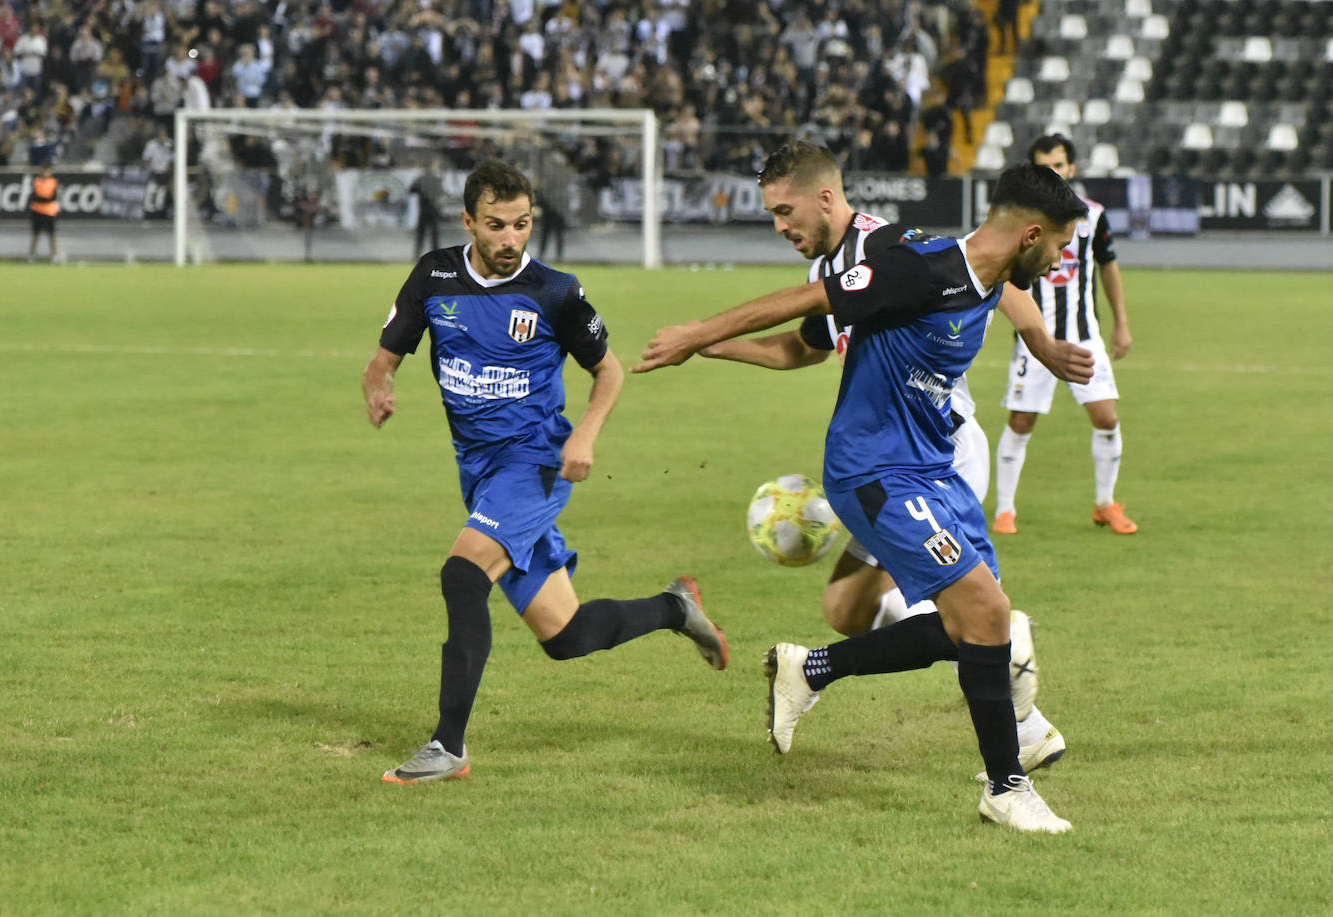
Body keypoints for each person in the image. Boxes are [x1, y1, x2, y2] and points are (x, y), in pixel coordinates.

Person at [635, 163, 1092, 833]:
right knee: (990, 614)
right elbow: (804, 302)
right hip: (875, 471)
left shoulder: (988, 271)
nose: (1059, 260)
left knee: (978, 629)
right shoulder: (917, 269)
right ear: (1029, 235)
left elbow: (1006, 295)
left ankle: (811, 667)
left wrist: (1045, 346)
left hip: (935, 468)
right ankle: (1007, 785)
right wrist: (699, 335)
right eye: (1057, 245)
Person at [362, 159, 729, 785]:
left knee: (462, 574)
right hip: (479, 471)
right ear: (468, 222)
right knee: (565, 635)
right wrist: (381, 383)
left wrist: (583, 433)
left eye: (523, 225)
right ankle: (674, 608)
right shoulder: (435, 275)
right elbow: (384, 356)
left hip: (535, 463)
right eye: (497, 226)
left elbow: (608, 370)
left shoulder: (555, 292)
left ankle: (447, 748)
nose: (511, 240)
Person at [991, 134, 1136, 536]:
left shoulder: (1093, 216)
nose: (1054, 172)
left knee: (1106, 417)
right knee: (1021, 421)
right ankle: (1005, 511)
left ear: (1071, 168)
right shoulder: (1023, 221)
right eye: (1044, 167)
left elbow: (1108, 266)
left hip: (1084, 335)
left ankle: (1105, 503)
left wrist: (1121, 322)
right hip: (1035, 338)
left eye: (1059, 165)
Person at [28, 164, 59, 261]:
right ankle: (32, 255)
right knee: (36, 234)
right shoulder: (37, 181)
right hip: (37, 211)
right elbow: (35, 196)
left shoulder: (53, 182)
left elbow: (51, 196)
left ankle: (54, 255)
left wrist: (41, 198)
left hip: (49, 211)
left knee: (51, 234)